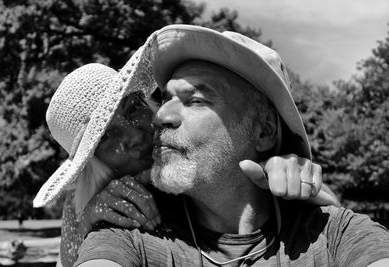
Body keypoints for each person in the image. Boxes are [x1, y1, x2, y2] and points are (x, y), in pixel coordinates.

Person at [75, 25, 389, 267]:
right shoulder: (125, 228)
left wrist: (308, 188)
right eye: (165, 97)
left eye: (195, 99)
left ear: (264, 130)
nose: (159, 116)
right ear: (94, 161)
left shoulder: (337, 235)